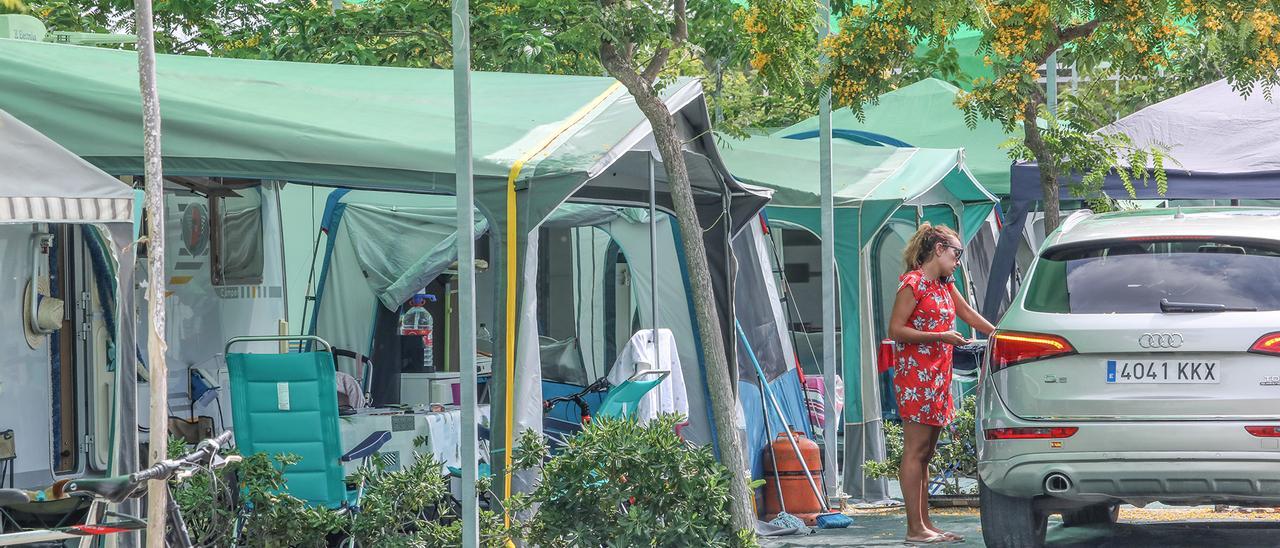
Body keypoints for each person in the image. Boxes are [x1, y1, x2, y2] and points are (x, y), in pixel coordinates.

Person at [887, 222, 996, 544]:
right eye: (956, 253)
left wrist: (1001, 335)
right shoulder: (914, 282)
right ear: (938, 250)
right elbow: (896, 330)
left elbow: (970, 315)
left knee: (926, 454)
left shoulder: (944, 285)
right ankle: (914, 528)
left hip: (937, 376)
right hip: (915, 377)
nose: (958, 260)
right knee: (915, 451)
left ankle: (925, 525)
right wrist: (940, 336)